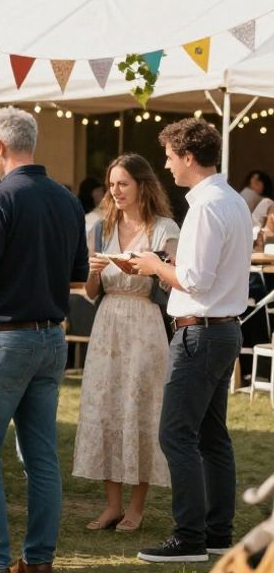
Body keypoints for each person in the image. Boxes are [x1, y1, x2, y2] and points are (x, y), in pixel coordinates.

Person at [0, 106, 88, 573]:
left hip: (4, 336)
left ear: (1, 147)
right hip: (51, 338)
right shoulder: (67, 199)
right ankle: (39, 560)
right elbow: (76, 276)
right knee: (41, 454)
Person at [132, 119, 250, 564]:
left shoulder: (204, 205)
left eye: (168, 156)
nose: (165, 164)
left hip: (200, 331)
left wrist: (153, 266)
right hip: (222, 328)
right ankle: (218, 532)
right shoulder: (232, 200)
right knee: (211, 435)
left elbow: (196, 282)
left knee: (176, 434)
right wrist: (164, 263)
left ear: (187, 157)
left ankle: (189, 538)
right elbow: (207, 273)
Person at [74, 154, 179, 533]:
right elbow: (89, 292)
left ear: (141, 185)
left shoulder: (164, 227)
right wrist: (92, 272)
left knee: (141, 408)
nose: (115, 191)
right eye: (112, 183)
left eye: (123, 184)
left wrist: (152, 267)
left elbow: (174, 281)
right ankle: (112, 505)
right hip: (107, 326)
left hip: (145, 324)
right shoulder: (101, 227)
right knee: (107, 409)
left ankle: (137, 507)